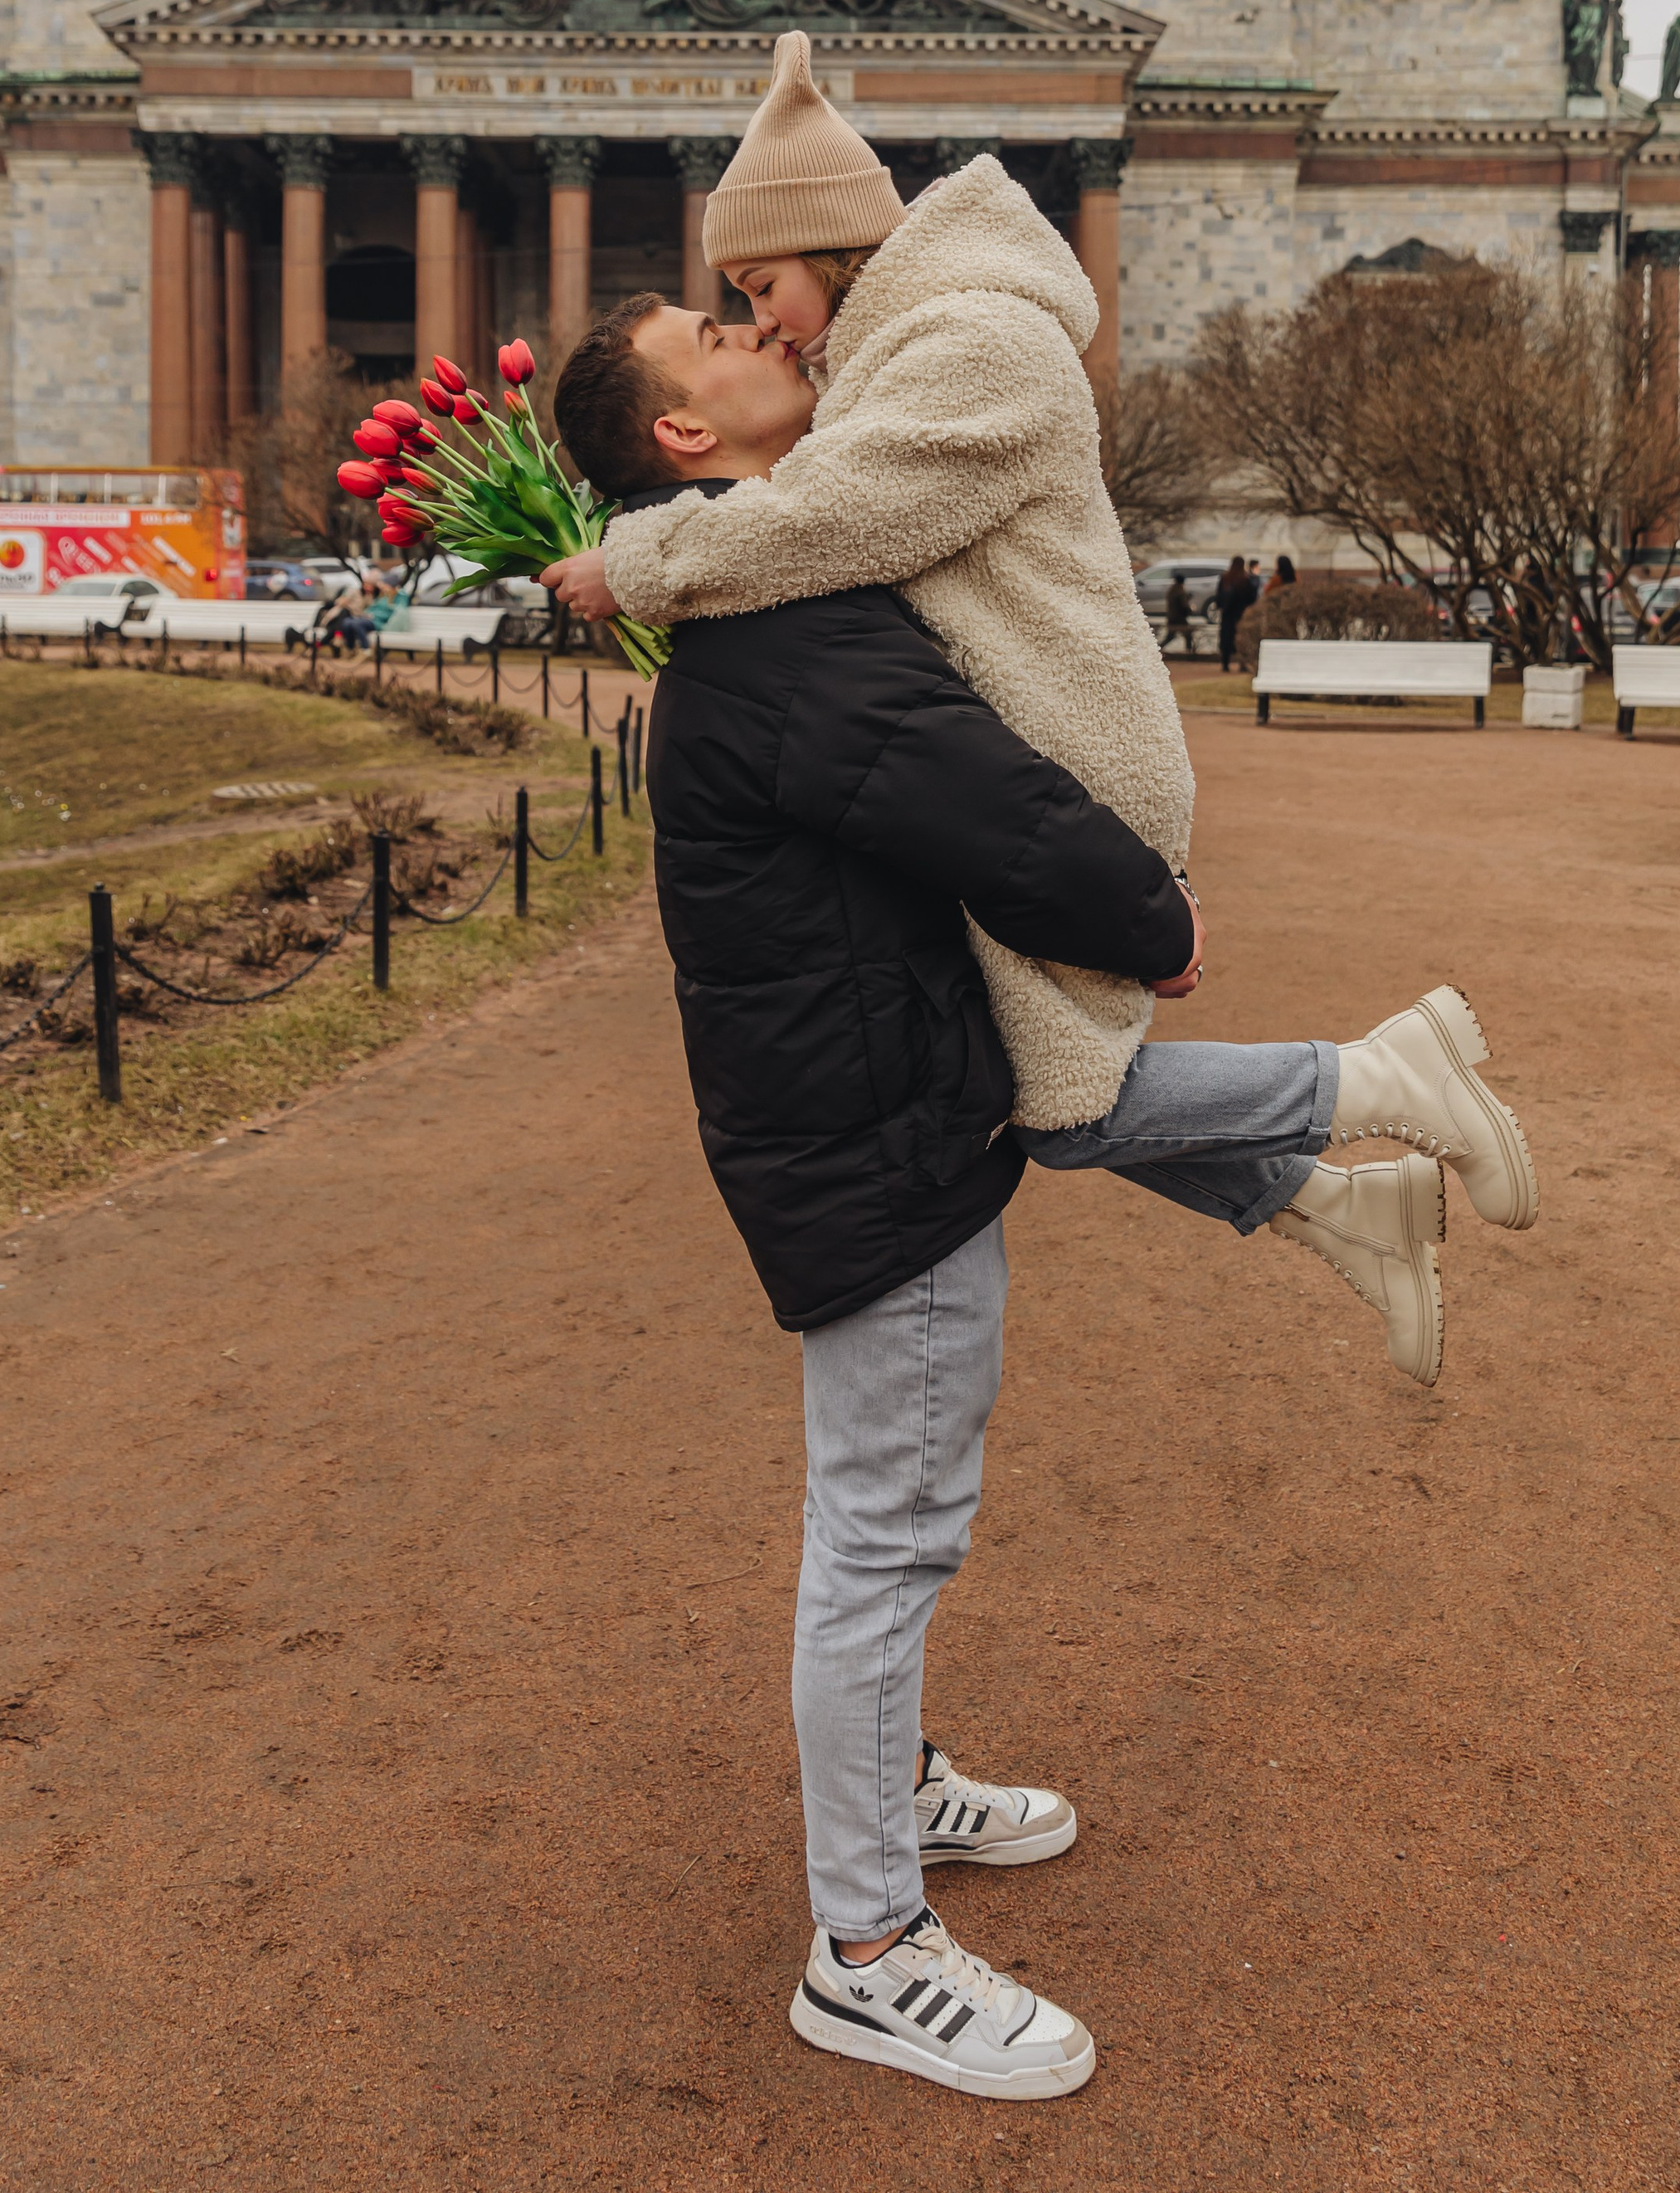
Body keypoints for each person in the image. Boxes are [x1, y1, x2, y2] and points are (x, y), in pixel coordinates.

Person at [552, 299, 1539, 2104]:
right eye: (713, 328)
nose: (760, 322)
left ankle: (893, 1785)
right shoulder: (775, 644)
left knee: (889, 1508)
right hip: (875, 1146)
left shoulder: (748, 608)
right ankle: (862, 1948)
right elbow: (982, 804)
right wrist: (1146, 919)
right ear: (685, 436)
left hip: (871, 1106)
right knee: (884, 1531)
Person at [1214, 554, 1261, 671]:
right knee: (1241, 639)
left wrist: (1222, 606)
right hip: (1241, 614)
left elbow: (1219, 596)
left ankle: (1225, 664)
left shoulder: (1225, 578)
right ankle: (1242, 664)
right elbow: (1251, 598)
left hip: (1227, 613)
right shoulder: (1245, 580)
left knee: (1227, 639)